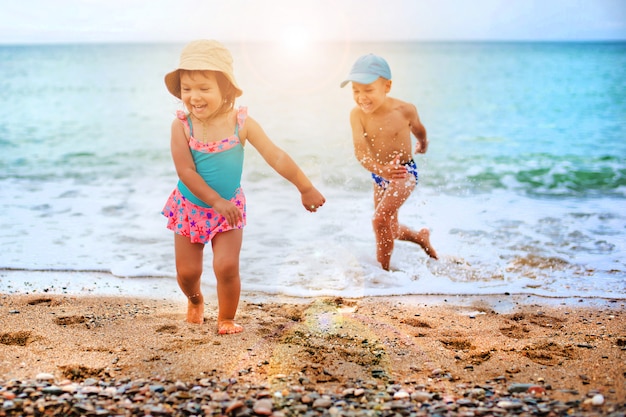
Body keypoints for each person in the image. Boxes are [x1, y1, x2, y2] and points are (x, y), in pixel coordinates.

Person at [162, 40, 326, 334]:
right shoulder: (182, 126)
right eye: (187, 89)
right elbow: (186, 171)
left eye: (203, 88)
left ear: (225, 88)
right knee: (188, 273)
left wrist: (305, 187)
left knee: (226, 266)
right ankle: (195, 300)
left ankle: (225, 317)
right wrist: (214, 201)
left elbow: (275, 155)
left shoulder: (242, 123)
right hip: (190, 207)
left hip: (229, 208)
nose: (194, 97)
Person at [340, 53, 438, 271]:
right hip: (380, 174)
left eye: (368, 90)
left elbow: (418, 128)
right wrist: (381, 170)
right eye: (355, 90)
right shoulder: (357, 115)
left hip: (404, 172)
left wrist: (422, 142)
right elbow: (361, 153)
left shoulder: (405, 110)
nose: (361, 97)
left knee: (378, 220)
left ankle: (381, 274)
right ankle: (421, 238)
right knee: (389, 228)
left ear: (387, 86)